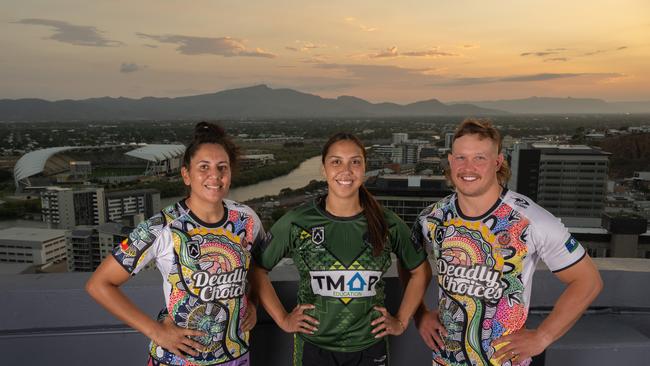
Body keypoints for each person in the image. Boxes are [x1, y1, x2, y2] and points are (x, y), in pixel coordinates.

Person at [412, 119, 603, 366]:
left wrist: (542, 337)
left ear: (497, 162)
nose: (468, 167)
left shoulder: (530, 221)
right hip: (445, 360)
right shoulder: (432, 218)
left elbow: (588, 281)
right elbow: (411, 266)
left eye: (479, 158)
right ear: (450, 161)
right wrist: (419, 315)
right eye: (461, 158)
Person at [86, 122, 264, 366]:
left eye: (222, 167)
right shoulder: (161, 227)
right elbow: (99, 284)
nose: (215, 175)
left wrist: (252, 303)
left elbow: (258, 267)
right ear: (186, 175)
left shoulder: (246, 219)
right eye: (204, 167)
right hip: (180, 360)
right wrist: (157, 332)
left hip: (236, 355)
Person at [251, 132, 432, 366]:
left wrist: (402, 320)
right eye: (336, 161)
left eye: (355, 162)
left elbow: (420, 270)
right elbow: (257, 268)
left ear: (364, 169)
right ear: (324, 169)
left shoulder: (387, 222)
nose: (346, 170)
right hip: (314, 347)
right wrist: (283, 319)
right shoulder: (297, 221)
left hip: (370, 346)